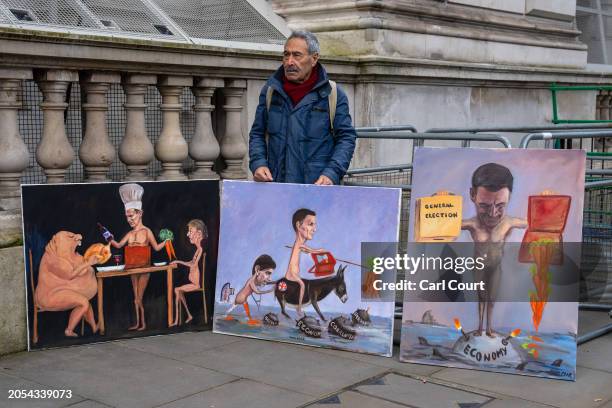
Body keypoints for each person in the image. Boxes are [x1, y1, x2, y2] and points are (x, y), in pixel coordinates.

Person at [249, 30, 356, 185]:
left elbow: (346, 138)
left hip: (316, 189)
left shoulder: (332, 94)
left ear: (314, 59)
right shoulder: (271, 91)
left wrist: (332, 173)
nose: (289, 62)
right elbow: (257, 133)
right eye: (286, 55)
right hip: (277, 186)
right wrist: (259, 163)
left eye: (297, 55)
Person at [461, 163, 527, 337]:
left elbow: (536, 222)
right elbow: (440, 226)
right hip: (479, 267)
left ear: (509, 197)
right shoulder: (473, 224)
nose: (492, 213)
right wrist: (438, 206)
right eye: (484, 205)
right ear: (473, 195)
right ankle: (480, 327)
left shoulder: (508, 223)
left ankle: (489, 328)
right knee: (481, 297)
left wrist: (547, 201)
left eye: (500, 206)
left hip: (496, 268)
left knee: (492, 299)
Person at [110, 183, 167, 331]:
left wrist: (166, 242)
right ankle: (138, 323)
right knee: (135, 299)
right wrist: (109, 238)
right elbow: (118, 245)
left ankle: (143, 324)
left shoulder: (147, 232)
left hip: (144, 268)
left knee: (139, 298)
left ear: (140, 213)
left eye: (131, 215)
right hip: (132, 267)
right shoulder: (129, 234)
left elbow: (156, 247)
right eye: (127, 216)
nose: (129, 219)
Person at [286, 209, 327, 317]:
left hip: (295, 273)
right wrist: (320, 250)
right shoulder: (299, 243)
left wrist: (316, 251)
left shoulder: (300, 244)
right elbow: (310, 250)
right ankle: (299, 309)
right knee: (302, 285)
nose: (314, 229)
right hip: (291, 274)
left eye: (314, 225)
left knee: (302, 284)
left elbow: (307, 250)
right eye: (310, 224)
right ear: (299, 225)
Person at [170, 219, 207, 326]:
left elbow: (193, 265)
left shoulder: (200, 249)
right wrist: (178, 261)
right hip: (192, 282)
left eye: (190, 231)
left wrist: (179, 262)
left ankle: (176, 320)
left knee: (177, 290)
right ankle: (189, 315)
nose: (187, 234)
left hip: (195, 284)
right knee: (179, 291)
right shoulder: (197, 250)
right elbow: (191, 262)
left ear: (199, 233)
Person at [224, 254, 276, 325]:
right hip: (240, 298)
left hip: (242, 298)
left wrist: (276, 282)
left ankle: (231, 316)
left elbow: (266, 282)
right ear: (257, 270)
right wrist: (270, 290)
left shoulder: (255, 281)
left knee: (234, 309)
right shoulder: (251, 281)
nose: (269, 278)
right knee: (238, 313)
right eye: (267, 273)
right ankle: (229, 317)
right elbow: (257, 292)